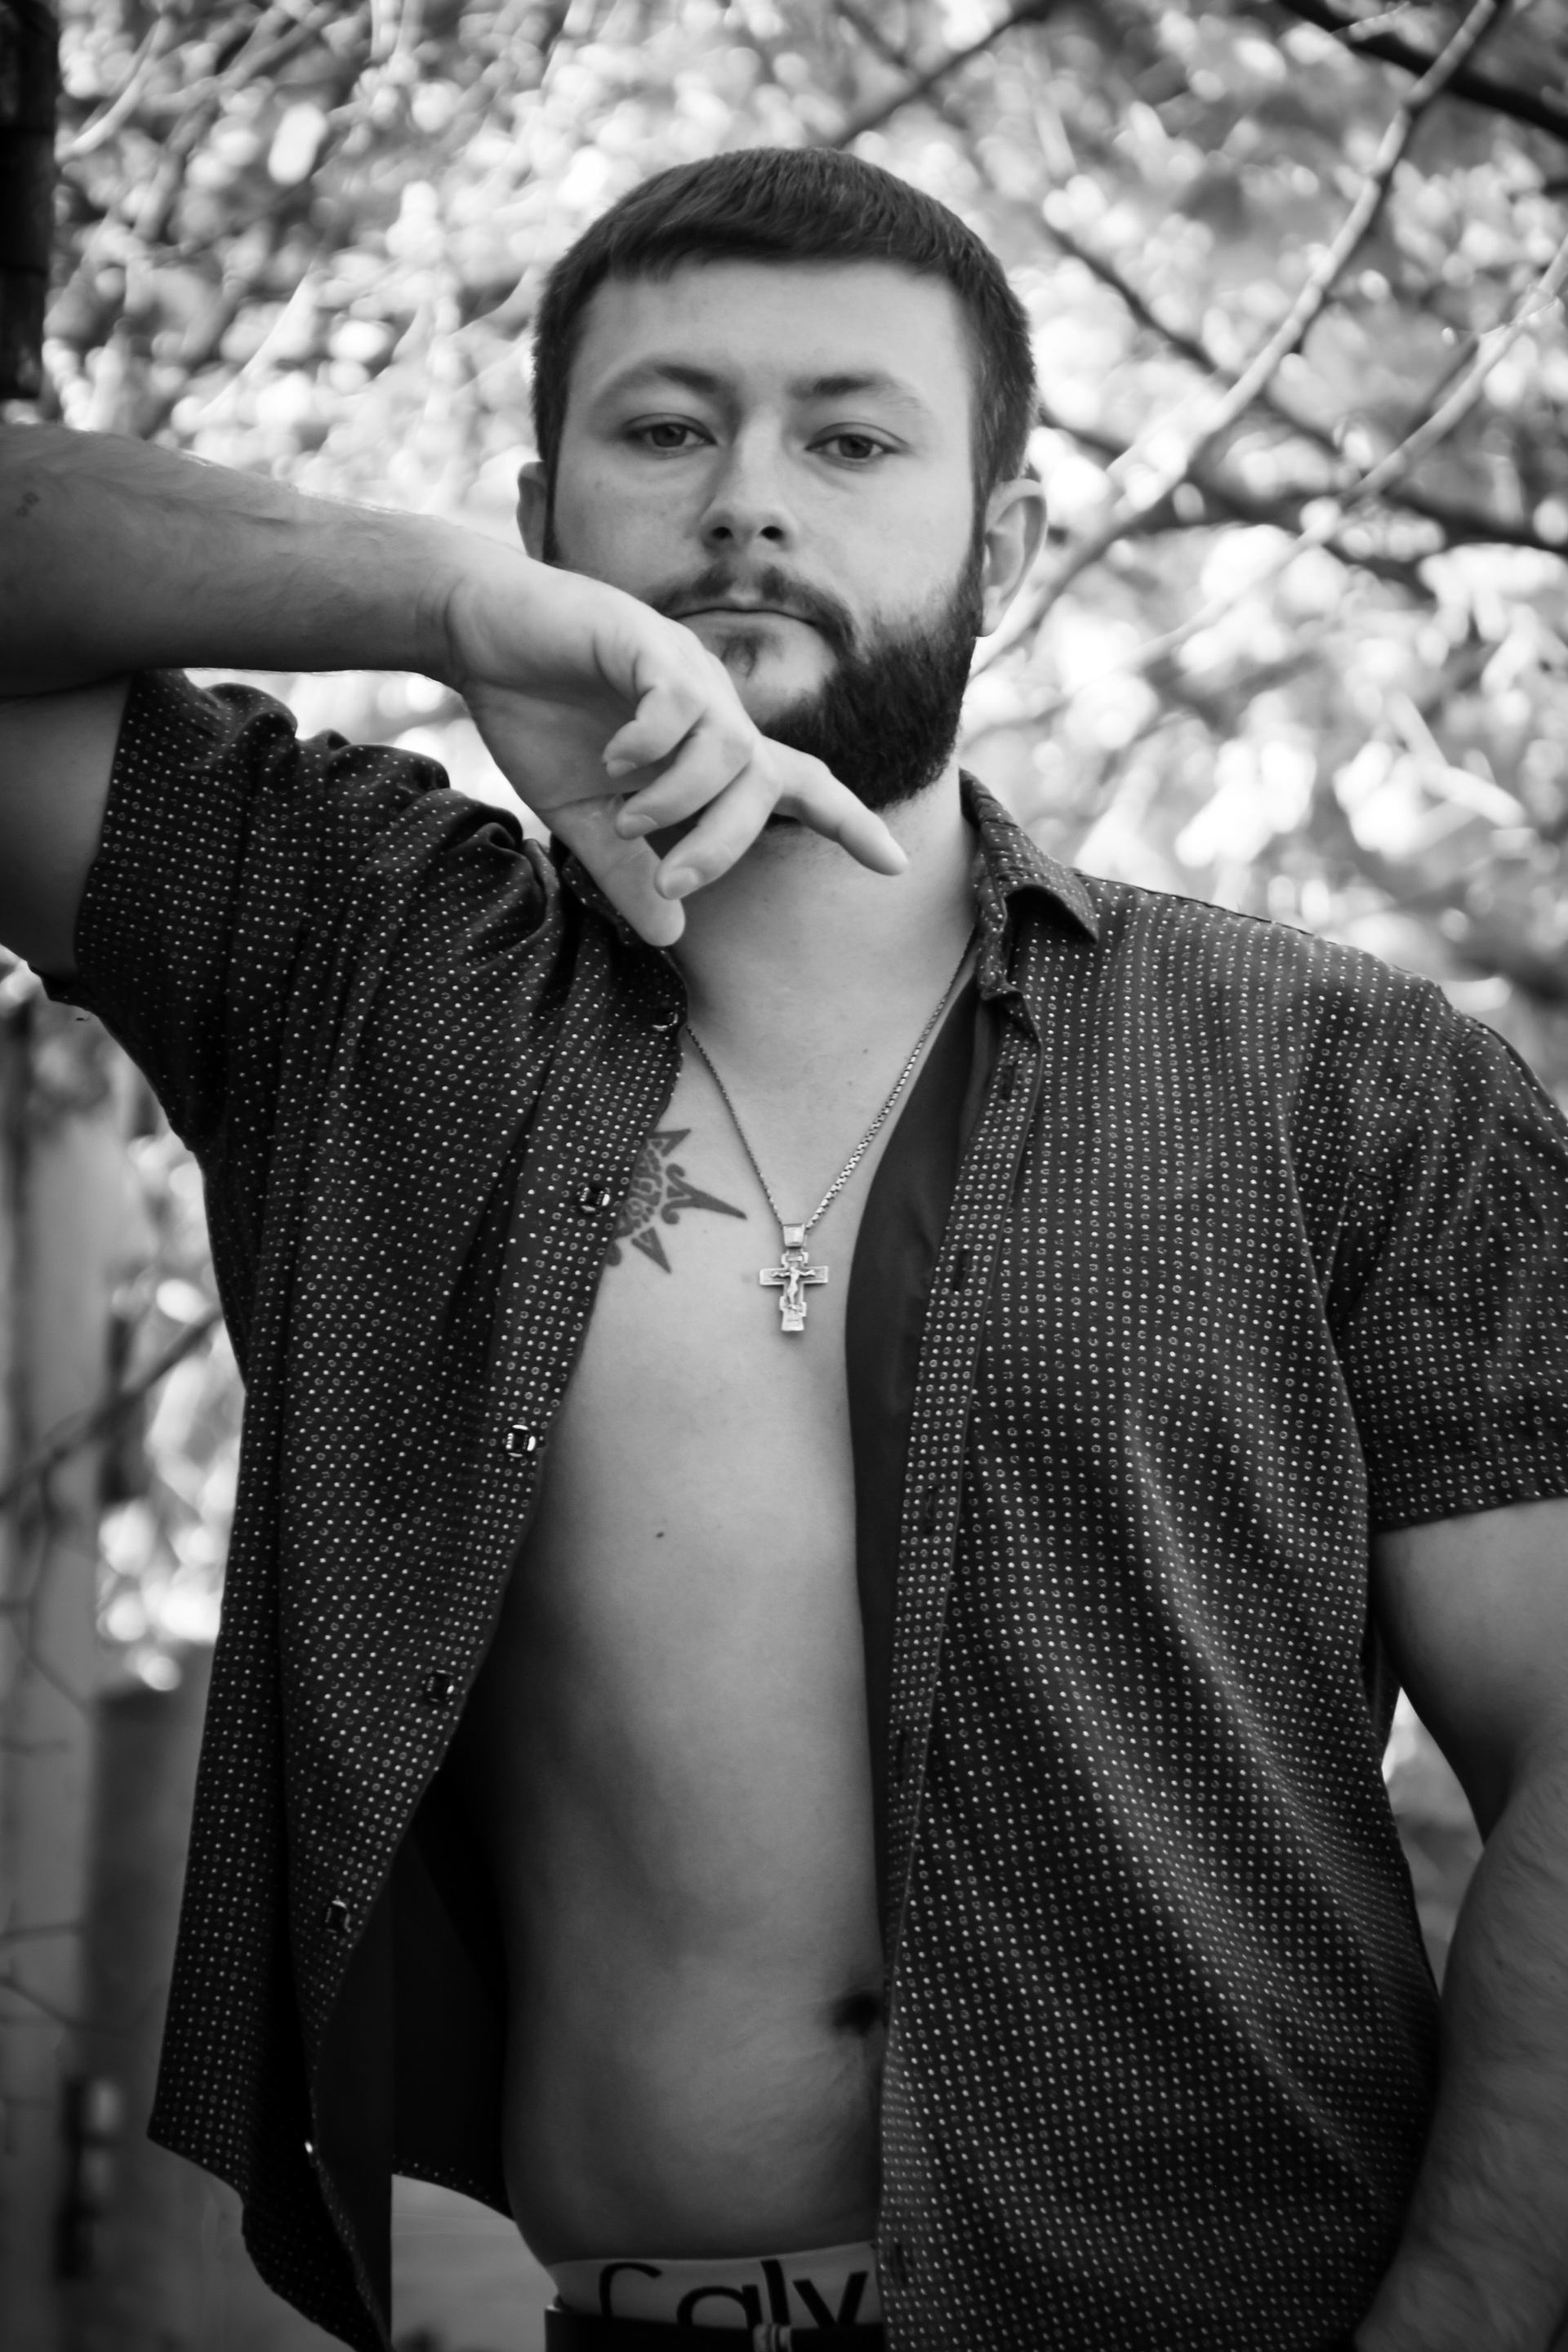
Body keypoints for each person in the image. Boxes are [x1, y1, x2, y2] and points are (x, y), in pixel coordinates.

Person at [1, 146, 1566, 2352]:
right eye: (665, 429)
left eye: (849, 439)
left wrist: (1471, 2318)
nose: (747, 503)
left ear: (1002, 543)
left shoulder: (1342, 1078)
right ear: (544, 513)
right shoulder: (352, 961)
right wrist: (442, 604)